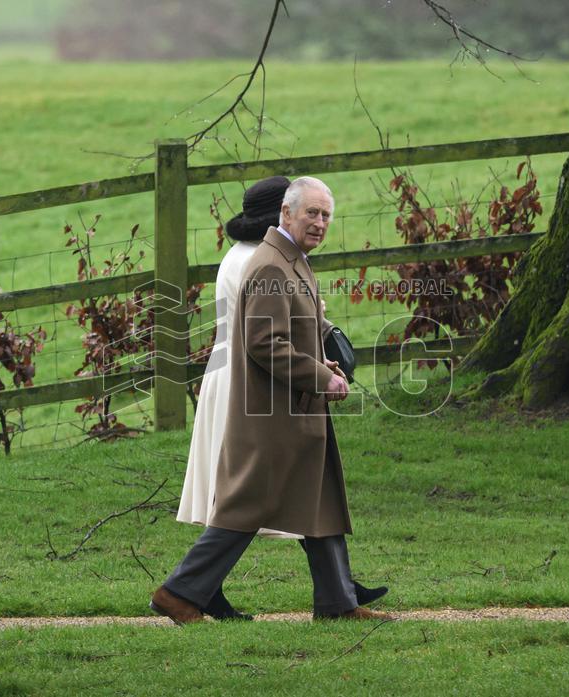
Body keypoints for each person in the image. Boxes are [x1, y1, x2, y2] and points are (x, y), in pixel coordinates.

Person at [152, 176, 392, 624]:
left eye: (326, 215)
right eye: (311, 214)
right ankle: (178, 593)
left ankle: (338, 604)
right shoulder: (270, 267)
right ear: (286, 213)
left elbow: (299, 333)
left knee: (320, 500)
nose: (320, 223)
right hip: (272, 416)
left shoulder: (293, 260)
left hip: (296, 410)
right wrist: (322, 377)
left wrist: (328, 368)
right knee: (245, 509)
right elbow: (266, 343)